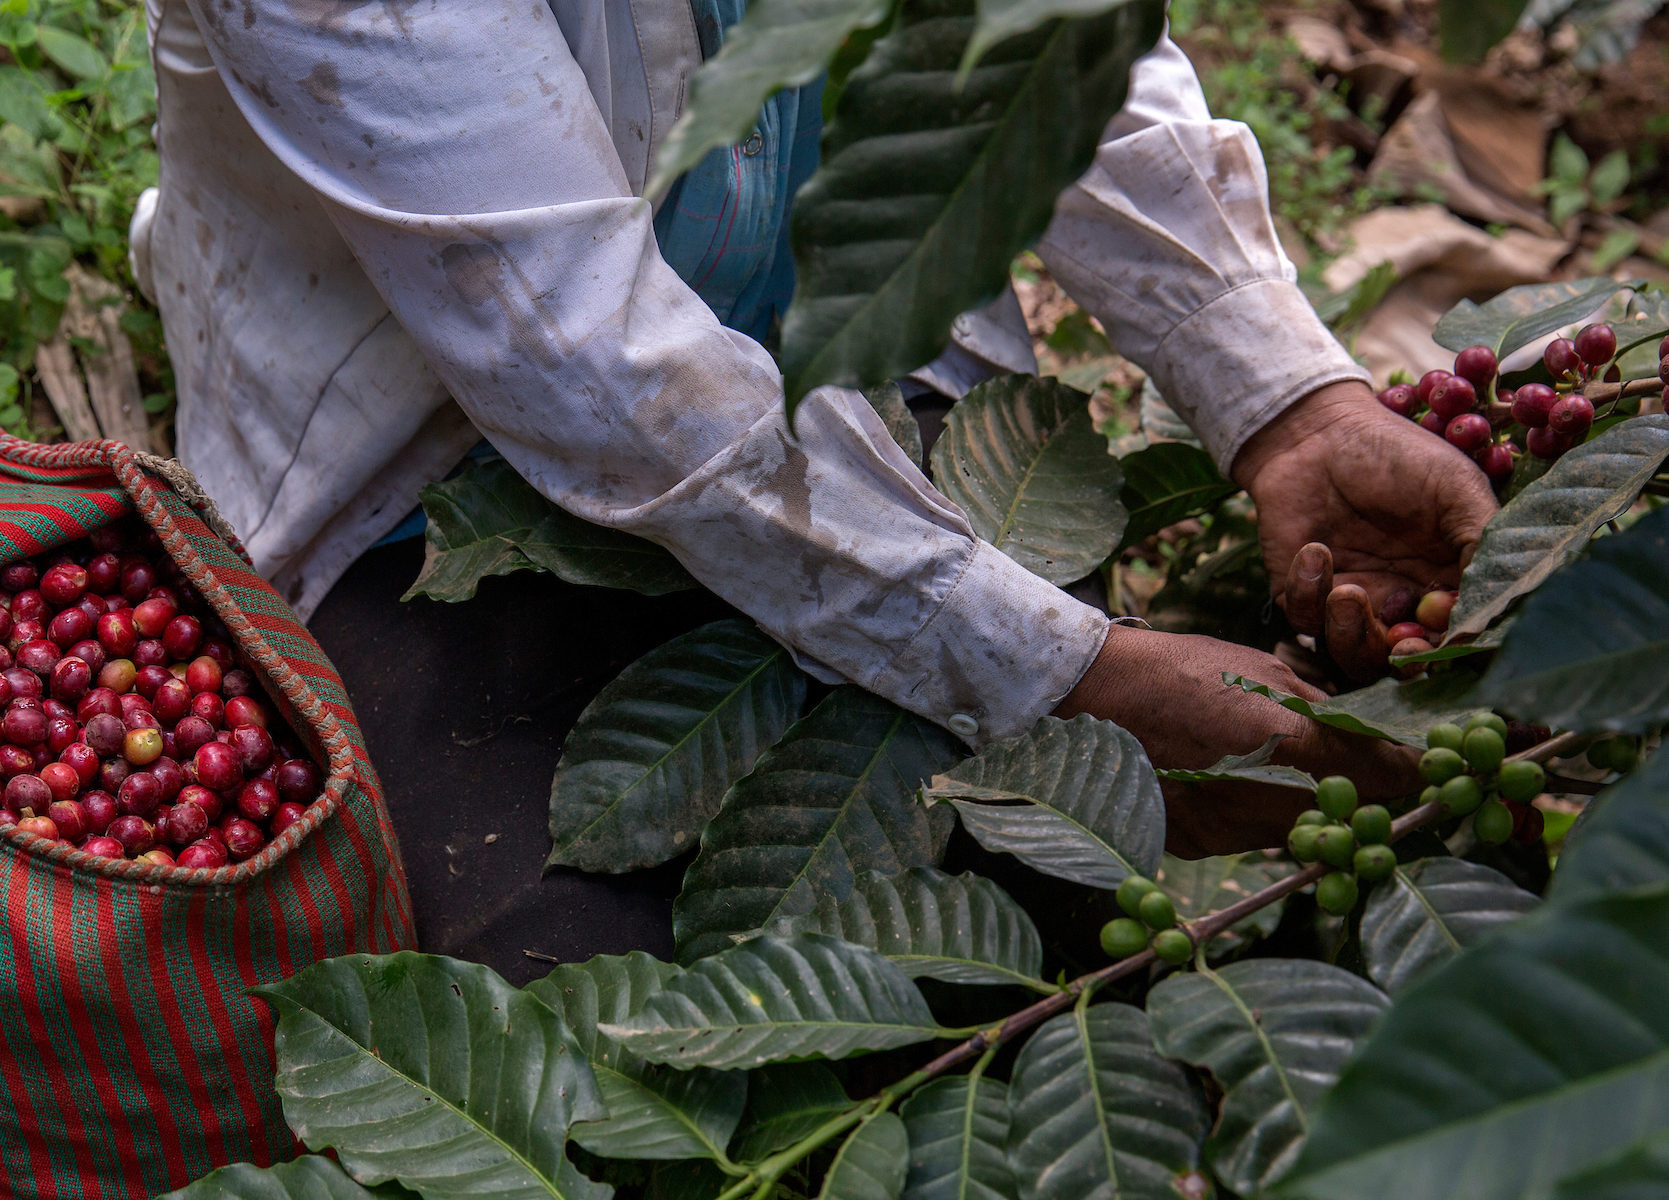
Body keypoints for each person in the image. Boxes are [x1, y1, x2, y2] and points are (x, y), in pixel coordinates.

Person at [126, 0, 1494, 882]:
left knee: (1050, 889)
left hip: (860, 401)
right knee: (586, 969)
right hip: (445, 491)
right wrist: (1074, 674)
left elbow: (1053, 50)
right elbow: (592, 359)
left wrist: (1290, 402)